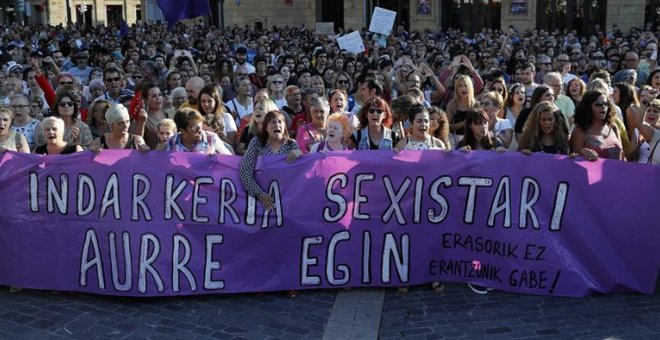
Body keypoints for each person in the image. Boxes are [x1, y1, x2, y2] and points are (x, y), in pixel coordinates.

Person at [239, 109, 302, 213]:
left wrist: (300, 155)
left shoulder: (292, 145)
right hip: (261, 201)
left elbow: (299, 174)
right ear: (266, 128)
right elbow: (244, 172)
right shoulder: (256, 143)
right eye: (273, 122)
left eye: (280, 122)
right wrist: (260, 194)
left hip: (286, 200)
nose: (277, 125)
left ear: (285, 126)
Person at [569, 90, 624, 161]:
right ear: (588, 107)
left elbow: (622, 155)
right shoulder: (580, 130)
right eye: (599, 104)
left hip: (616, 170)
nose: (604, 107)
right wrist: (582, 151)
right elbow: (573, 158)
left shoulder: (612, 126)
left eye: (606, 104)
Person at [161, 108, 233, 155]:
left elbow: (228, 160)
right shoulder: (170, 144)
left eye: (200, 125)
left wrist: (215, 158)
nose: (199, 129)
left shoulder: (211, 138)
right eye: (194, 127)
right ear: (182, 130)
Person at [445, 74, 478, 146]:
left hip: (472, 140)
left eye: (466, 85)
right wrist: (465, 122)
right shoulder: (451, 105)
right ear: (457, 89)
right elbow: (447, 127)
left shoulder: (476, 105)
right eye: (460, 86)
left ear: (470, 88)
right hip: (454, 140)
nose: (463, 88)